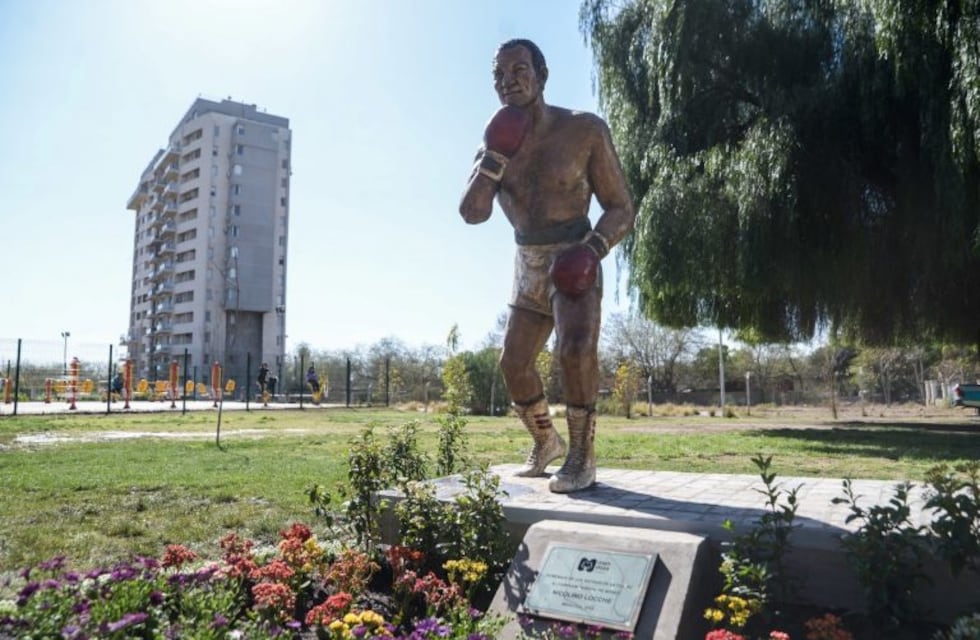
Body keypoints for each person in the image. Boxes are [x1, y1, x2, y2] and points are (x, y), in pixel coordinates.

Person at [459, 38, 635, 493]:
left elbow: (621, 207)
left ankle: (582, 454)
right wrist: (494, 159)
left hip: (576, 248)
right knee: (513, 363)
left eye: (518, 70)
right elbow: (472, 211)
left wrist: (593, 249)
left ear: (541, 74)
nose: (507, 81)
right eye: (498, 74)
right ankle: (546, 441)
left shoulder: (584, 130)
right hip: (528, 260)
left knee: (574, 352)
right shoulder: (494, 142)